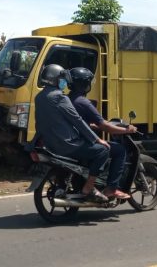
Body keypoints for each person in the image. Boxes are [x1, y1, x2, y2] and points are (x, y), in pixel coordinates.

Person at [33, 64, 110, 203]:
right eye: (62, 79)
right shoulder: (60, 97)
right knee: (102, 151)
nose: (65, 83)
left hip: (48, 143)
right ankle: (89, 189)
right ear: (56, 79)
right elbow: (77, 121)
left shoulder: (39, 97)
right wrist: (97, 139)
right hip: (66, 144)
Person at [68, 67, 137, 200]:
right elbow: (105, 125)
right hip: (81, 141)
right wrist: (127, 130)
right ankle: (111, 188)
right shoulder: (83, 102)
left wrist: (96, 126)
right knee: (119, 150)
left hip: (72, 138)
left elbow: (83, 123)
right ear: (84, 84)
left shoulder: (69, 99)